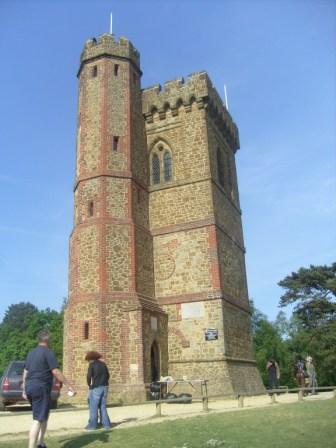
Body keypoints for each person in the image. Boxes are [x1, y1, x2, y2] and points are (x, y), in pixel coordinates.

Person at [22, 329, 76, 448]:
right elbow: (56, 371)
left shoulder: (31, 353)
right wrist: (69, 386)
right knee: (37, 419)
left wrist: (24, 389)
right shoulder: (48, 352)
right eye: (50, 339)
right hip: (40, 388)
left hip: (31, 388)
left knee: (43, 416)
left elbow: (25, 371)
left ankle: (41, 443)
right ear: (47, 339)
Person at [85, 351, 111, 430]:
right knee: (102, 406)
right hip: (105, 386)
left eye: (88, 360)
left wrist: (89, 384)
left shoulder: (92, 365)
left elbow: (89, 376)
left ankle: (92, 425)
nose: (88, 361)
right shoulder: (103, 364)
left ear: (90, 358)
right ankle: (106, 424)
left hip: (96, 387)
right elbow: (108, 375)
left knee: (93, 406)